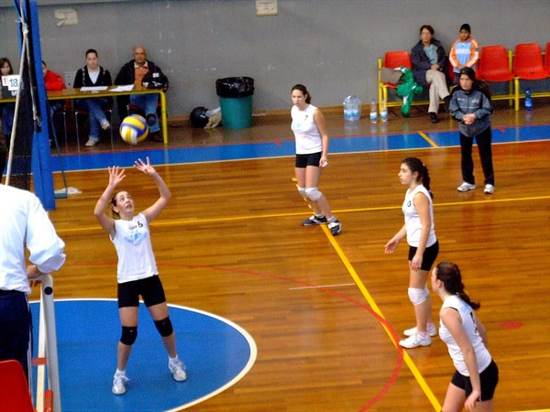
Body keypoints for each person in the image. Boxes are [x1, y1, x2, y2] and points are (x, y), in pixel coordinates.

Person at [94, 158, 186, 395]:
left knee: (164, 325)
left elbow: (166, 197)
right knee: (129, 332)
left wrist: (154, 175)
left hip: (150, 277)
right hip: (127, 282)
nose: (128, 200)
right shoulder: (115, 228)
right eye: (122, 199)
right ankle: (119, 375)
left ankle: (174, 361)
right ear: (115, 207)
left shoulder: (143, 218)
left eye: (129, 197)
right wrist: (111, 186)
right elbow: (97, 212)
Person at [0, 143, 66, 380]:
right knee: (12, 387)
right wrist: (36, 269)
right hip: (7, 306)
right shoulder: (23, 200)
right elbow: (50, 253)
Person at [384, 157, 439, 348]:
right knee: (420, 289)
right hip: (415, 245)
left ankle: (422, 334)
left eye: (403, 171)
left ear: (415, 174)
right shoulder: (410, 192)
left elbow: (426, 225)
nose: (399, 174)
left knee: (415, 291)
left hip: (424, 247)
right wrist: (397, 238)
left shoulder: (420, 195)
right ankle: (428, 326)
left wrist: (419, 254)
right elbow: (411, 222)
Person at [431, 261, 499, 411]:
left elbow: (467, 349)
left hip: (479, 375)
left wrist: (476, 390)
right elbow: (482, 331)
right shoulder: (460, 299)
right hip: (467, 370)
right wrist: (485, 357)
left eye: (432, 277)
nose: (430, 280)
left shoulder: (447, 312)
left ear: (439, 283)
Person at [290, 84, 342, 236]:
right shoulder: (293, 110)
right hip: (300, 153)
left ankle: (333, 219)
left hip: (315, 152)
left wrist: (324, 155)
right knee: (302, 189)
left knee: (311, 190)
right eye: (294, 97)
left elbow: (325, 134)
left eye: (299, 96)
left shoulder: (315, 112)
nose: (296, 100)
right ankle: (318, 215)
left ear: (305, 96)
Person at [449, 67, 495, 194]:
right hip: (465, 129)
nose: (464, 82)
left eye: (467, 79)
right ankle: (468, 181)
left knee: (485, 155)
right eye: (462, 79)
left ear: (473, 80)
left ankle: (489, 182)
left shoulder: (481, 91)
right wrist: (463, 117)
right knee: (465, 155)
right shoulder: (456, 92)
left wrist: (475, 115)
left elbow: (488, 109)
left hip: (482, 128)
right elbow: (453, 110)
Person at [115, 46, 168, 142]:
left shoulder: (153, 67)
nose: (139, 56)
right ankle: (154, 130)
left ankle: (151, 118)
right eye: (137, 54)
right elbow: (117, 82)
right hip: (135, 96)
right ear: (133, 55)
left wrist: (162, 87)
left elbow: (164, 80)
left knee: (152, 96)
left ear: (145, 55)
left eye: (142, 53)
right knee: (150, 108)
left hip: (151, 94)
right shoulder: (127, 68)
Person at [73, 48, 113, 147]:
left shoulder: (105, 72)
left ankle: (93, 137)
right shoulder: (80, 73)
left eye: (94, 59)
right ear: (86, 60)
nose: (92, 61)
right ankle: (102, 121)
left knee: (93, 107)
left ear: (97, 59)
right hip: (83, 102)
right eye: (89, 59)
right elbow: (75, 90)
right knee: (90, 99)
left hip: (101, 101)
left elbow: (109, 90)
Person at [411, 24, 450, 123]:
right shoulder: (416, 49)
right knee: (437, 75)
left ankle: (433, 113)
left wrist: (438, 66)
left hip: (438, 72)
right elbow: (417, 63)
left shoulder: (438, 46)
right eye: (423, 33)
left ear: (431, 35)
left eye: (428, 33)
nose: (425, 35)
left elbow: (443, 59)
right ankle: (447, 98)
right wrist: (430, 66)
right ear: (420, 35)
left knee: (435, 85)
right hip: (423, 74)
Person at [0, 57, 15, 145]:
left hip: (11, 104)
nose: (6, 69)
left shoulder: (14, 78)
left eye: (7, 66)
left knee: (7, 111)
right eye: (3, 67)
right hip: (2, 105)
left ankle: (9, 137)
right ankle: (9, 137)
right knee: (6, 111)